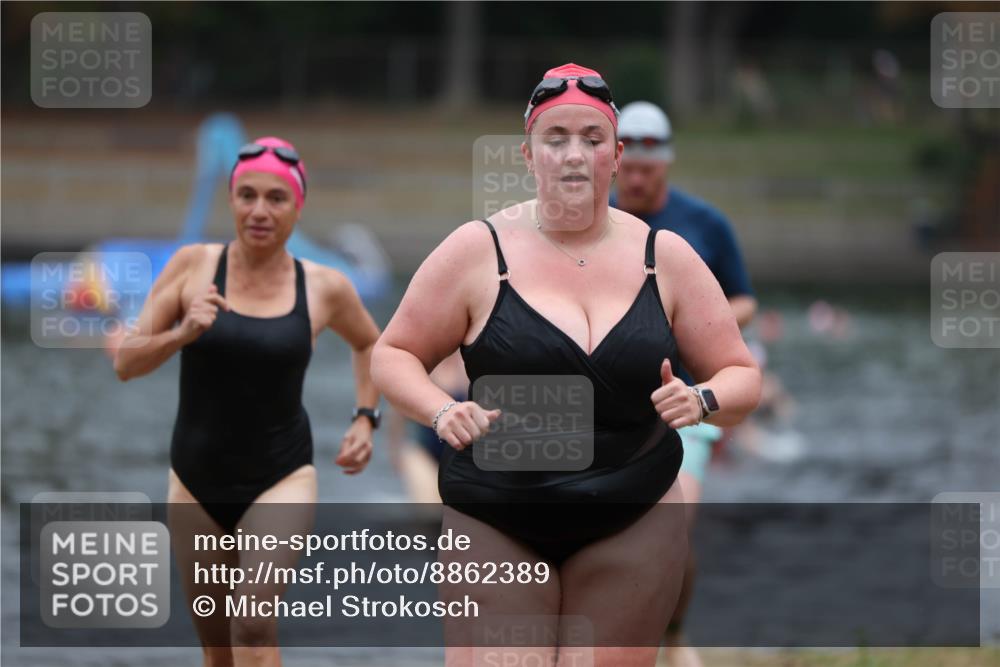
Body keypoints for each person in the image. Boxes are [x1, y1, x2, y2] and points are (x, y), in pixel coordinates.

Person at [372, 64, 760, 667]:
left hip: (632, 512)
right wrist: (440, 408)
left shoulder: (667, 257)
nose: (573, 155)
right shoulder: (477, 250)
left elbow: (741, 375)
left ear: (615, 154)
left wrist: (702, 398)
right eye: (556, 139)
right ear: (529, 155)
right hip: (497, 515)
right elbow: (393, 354)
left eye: (591, 138)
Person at [113, 137, 382, 666]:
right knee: (217, 649)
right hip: (195, 481)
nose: (260, 211)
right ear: (232, 200)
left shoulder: (324, 287)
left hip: (281, 476)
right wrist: (182, 332)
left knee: (254, 626)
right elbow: (127, 361)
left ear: (297, 207)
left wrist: (366, 418)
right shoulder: (192, 267)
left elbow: (371, 343)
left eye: (277, 199)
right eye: (248, 196)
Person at [613, 101, 757, 666]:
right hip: (612, 401)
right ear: (615, 162)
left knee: (673, 530)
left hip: (689, 400)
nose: (638, 179)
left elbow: (745, 298)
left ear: (667, 163)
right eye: (629, 168)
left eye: (650, 169)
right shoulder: (593, 222)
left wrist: (698, 323)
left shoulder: (704, 223)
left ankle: (673, 636)